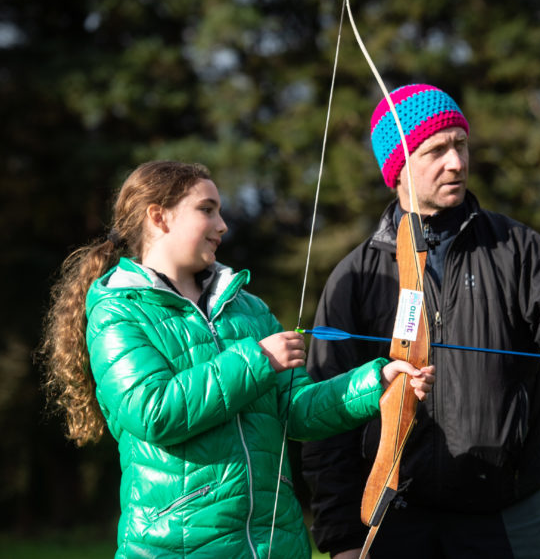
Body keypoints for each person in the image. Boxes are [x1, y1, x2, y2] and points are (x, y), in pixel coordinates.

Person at [301, 84, 540, 559]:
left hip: (507, 514)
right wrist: (342, 538)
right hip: (394, 522)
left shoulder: (515, 247)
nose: (456, 162)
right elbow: (325, 416)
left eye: (461, 145)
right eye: (436, 150)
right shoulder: (356, 276)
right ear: (397, 168)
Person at [39, 160, 434, 558]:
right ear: (159, 218)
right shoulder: (118, 310)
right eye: (206, 209)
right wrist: (258, 360)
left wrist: (378, 381)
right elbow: (152, 411)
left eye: (219, 210)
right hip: (178, 548)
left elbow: (296, 410)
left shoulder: (247, 307)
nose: (222, 224)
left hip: (275, 544)